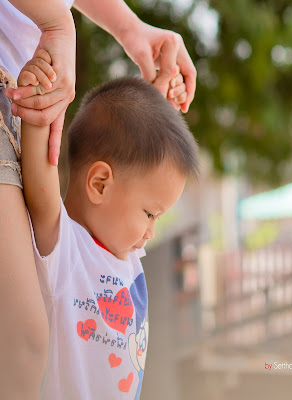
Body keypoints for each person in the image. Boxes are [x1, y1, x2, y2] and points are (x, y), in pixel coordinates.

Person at [0, 1, 195, 397]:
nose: (150, 232)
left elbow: (142, 156)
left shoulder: (125, 253)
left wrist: (158, 105)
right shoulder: (64, 248)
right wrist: (41, 100)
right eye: (149, 214)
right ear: (100, 184)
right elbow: (41, 175)